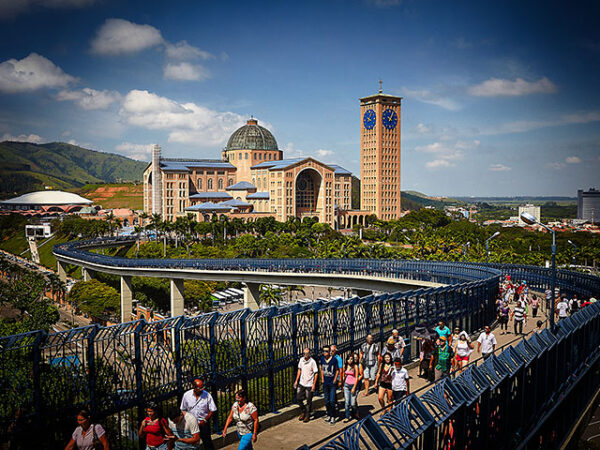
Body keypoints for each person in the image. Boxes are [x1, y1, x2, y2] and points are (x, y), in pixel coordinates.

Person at [180, 379, 217, 450]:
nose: (202, 389)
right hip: (191, 425)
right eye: (200, 388)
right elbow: (183, 409)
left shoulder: (207, 395)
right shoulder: (187, 395)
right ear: (194, 387)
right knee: (193, 443)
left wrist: (205, 420)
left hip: (203, 423)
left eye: (203, 387)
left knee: (207, 442)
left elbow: (212, 410)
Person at [293, 347, 318, 422]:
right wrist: (296, 380)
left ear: (309, 354)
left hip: (309, 384)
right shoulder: (301, 360)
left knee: (308, 400)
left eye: (307, 353)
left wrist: (314, 384)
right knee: (298, 398)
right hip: (302, 382)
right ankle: (303, 411)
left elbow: (316, 373)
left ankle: (307, 415)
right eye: (304, 353)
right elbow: (299, 370)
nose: (305, 355)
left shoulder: (312, 362)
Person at [320, 345, 340, 425]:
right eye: (324, 351)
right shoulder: (322, 359)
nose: (325, 353)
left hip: (332, 383)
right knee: (326, 400)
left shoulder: (334, 360)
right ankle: (328, 413)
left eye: (327, 351)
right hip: (325, 382)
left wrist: (335, 379)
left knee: (332, 400)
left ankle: (333, 416)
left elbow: (337, 370)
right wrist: (322, 379)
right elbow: (321, 369)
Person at [342, 355, 359, 423]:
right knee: (346, 402)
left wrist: (354, 387)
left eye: (351, 359)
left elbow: (357, 377)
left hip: (353, 386)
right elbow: (343, 375)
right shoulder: (345, 366)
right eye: (348, 359)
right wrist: (342, 385)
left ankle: (356, 412)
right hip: (346, 385)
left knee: (353, 403)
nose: (350, 361)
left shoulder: (355, 367)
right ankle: (347, 416)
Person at [331, 344, 344, 417]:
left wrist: (340, 380)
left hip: (336, 378)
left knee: (333, 393)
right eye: (330, 351)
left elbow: (341, 370)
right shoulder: (329, 358)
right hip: (331, 378)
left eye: (332, 351)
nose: (331, 352)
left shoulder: (338, 359)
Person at [351, 352, 364, 420]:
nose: (355, 359)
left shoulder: (359, 365)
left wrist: (355, 380)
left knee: (353, 399)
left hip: (357, 384)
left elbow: (361, 375)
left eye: (356, 357)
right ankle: (353, 411)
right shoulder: (350, 365)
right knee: (351, 399)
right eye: (354, 357)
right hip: (349, 384)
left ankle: (356, 413)